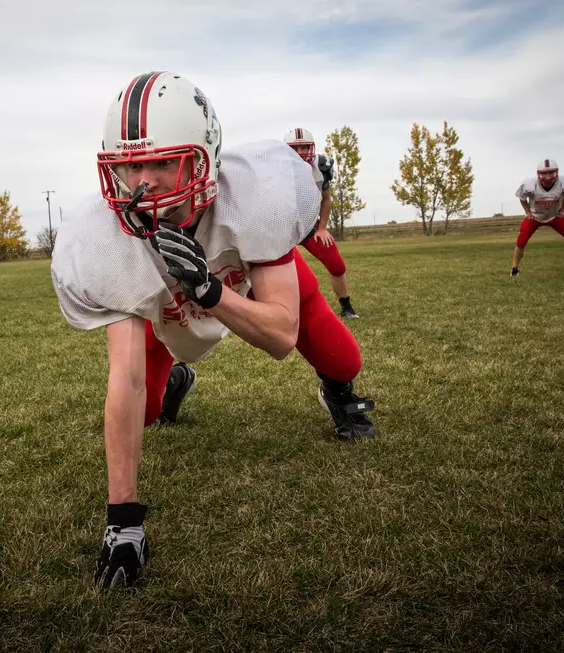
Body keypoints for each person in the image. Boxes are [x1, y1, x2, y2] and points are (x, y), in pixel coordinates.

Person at [51, 72, 376, 589]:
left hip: (242, 289)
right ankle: (178, 383)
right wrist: (123, 522)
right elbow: (126, 381)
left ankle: (338, 392)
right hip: (164, 315)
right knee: (150, 407)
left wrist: (211, 292)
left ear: (207, 154)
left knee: (344, 359)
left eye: (162, 160)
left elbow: (280, 337)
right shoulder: (103, 239)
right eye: (132, 163)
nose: (144, 181)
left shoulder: (254, 194)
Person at [284, 128, 361, 318]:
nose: (301, 152)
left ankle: (346, 307)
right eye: (296, 148)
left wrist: (323, 227)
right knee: (275, 268)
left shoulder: (320, 167)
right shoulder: (276, 168)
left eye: (304, 147)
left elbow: (326, 198)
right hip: (283, 226)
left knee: (337, 266)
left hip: (310, 225)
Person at [512, 159, 564, 277]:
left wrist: (562, 210)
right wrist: (527, 212)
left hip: (555, 215)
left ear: (556, 172)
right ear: (538, 174)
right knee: (521, 241)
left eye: (550, 172)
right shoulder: (530, 184)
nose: (547, 176)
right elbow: (522, 198)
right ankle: (514, 269)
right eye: (544, 173)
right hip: (535, 216)